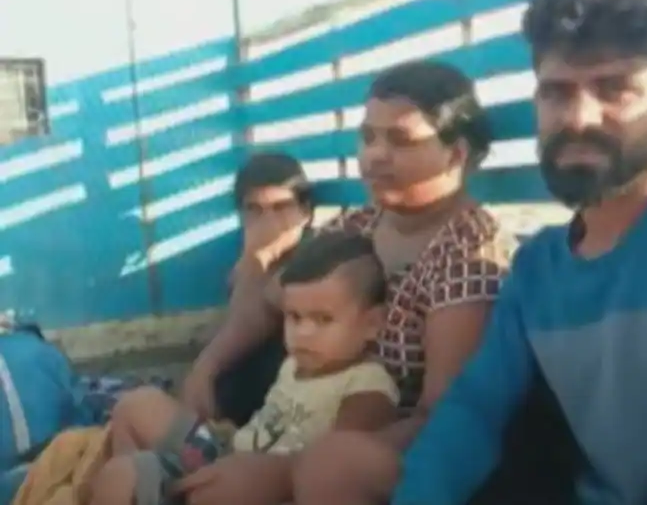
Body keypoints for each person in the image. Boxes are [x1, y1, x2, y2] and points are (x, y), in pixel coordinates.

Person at [391, 0, 647, 504]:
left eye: (614, 89)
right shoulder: (537, 272)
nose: (579, 117)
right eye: (557, 92)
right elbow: (473, 412)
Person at [291, 61, 524, 505]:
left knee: (330, 468)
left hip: (408, 465)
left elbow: (443, 419)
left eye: (400, 141)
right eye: (368, 138)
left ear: (456, 154)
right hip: (313, 424)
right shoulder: (359, 225)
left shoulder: (471, 255)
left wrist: (289, 468)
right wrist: (210, 366)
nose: (374, 156)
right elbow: (275, 296)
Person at [89, 231, 399, 505]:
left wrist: (273, 480)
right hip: (226, 452)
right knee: (134, 413)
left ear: (372, 323)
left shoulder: (366, 387)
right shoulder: (296, 362)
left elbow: (337, 470)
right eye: (294, 317)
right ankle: (152, 485)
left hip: (274, 488)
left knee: (130, 480)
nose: (303, 333)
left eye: (323, 320)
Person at [188, 152, 314, 429]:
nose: (268, 221)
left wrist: (258, 258)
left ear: (305, 212)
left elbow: (263, 309)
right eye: (254, 209)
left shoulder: (313, 258)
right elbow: (236, 319)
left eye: (281, 207)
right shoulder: (250, 261)